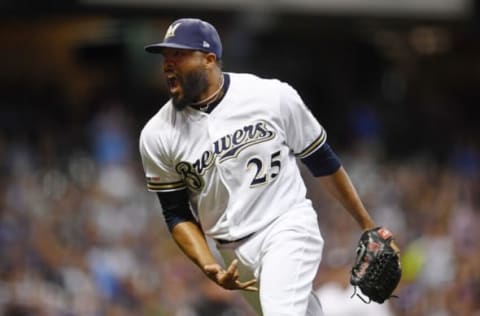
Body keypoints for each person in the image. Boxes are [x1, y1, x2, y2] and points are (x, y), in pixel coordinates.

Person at [139, 18, 392, 315]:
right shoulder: (157, 134)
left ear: (209, 59)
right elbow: (176, 212)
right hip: (231, 252)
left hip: (286, 227)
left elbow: (321, 160)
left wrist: (366, 223)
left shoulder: (271, 96)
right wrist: (209, 264)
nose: (168, 64)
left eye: (179, 55)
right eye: (165, 57)